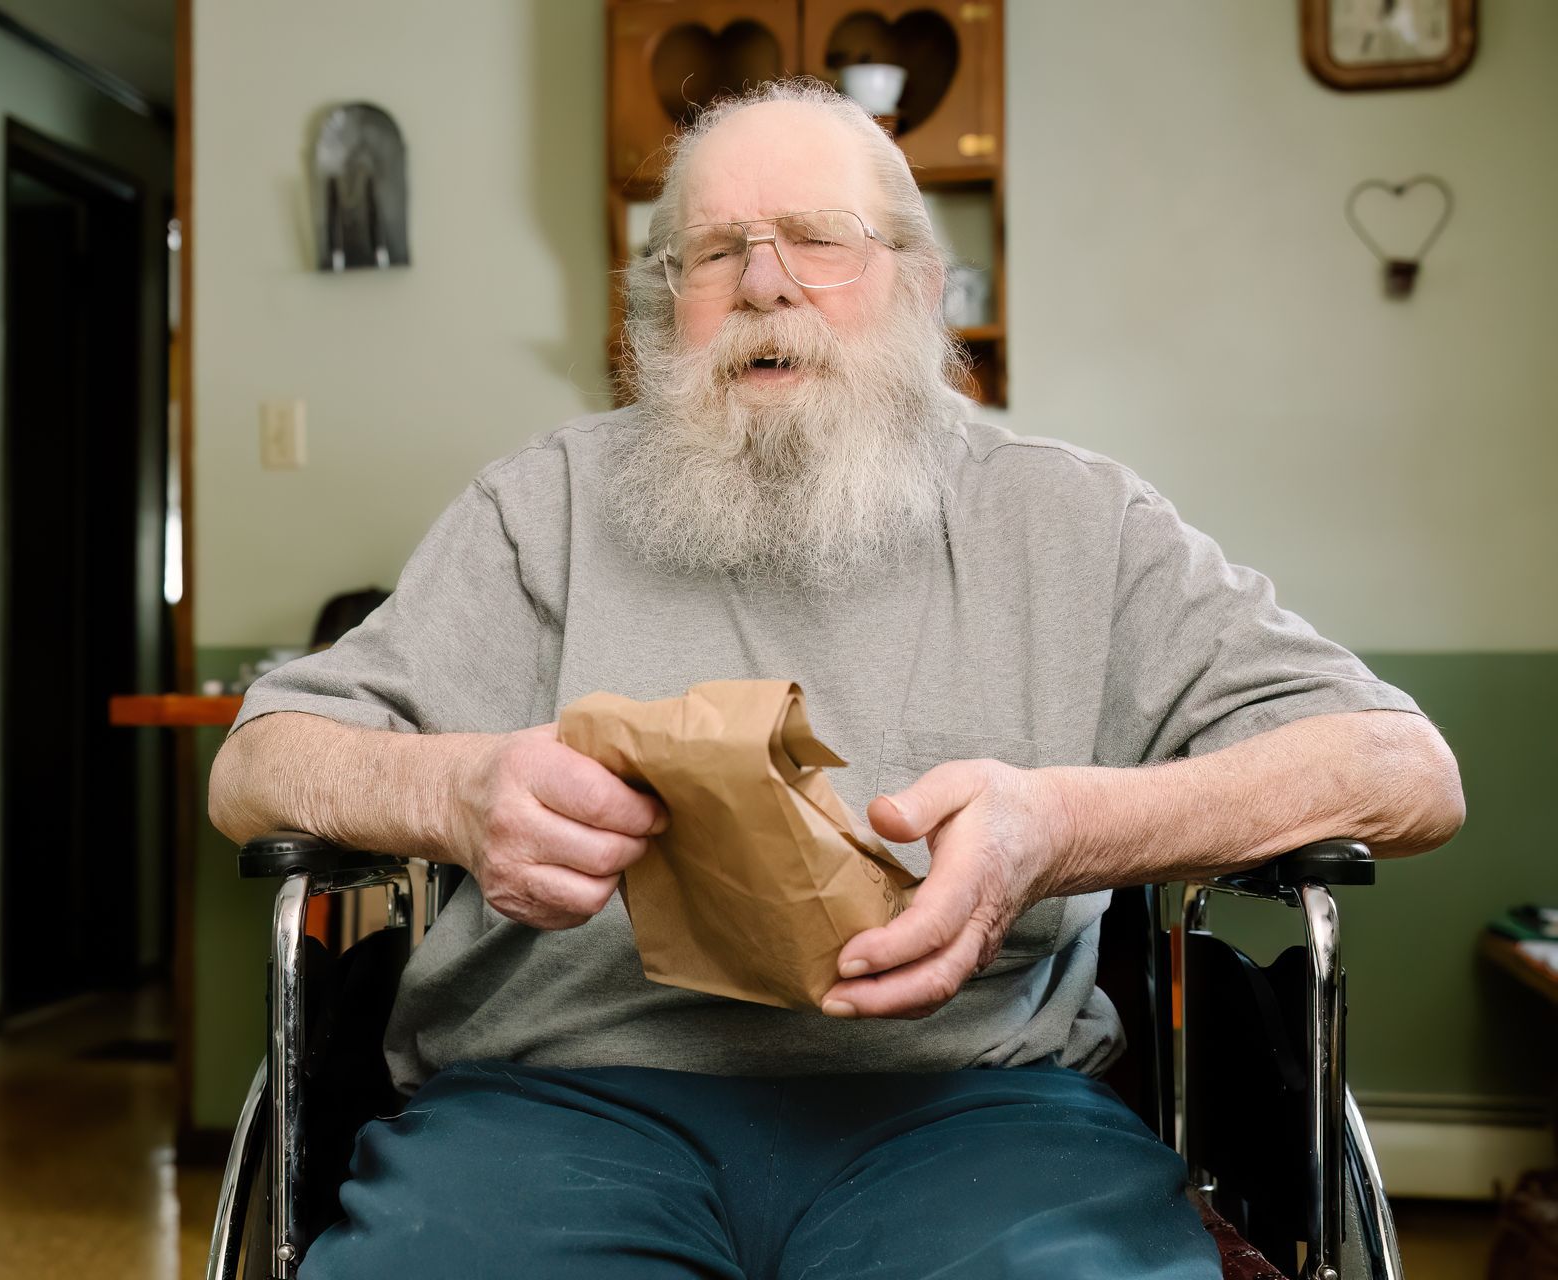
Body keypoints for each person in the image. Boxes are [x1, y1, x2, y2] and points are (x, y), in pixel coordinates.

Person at [209, 79, 1464, 1279]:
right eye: (712, 254)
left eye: (821, 238)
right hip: (549, 1107)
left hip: (982, 1116)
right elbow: (256, 764)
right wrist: (459, 790)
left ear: (923, 287)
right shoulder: (545, 506)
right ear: (662, 309)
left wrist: (1063, 827)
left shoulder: (1074, 521)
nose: (765, 283)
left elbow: (1405, 769)